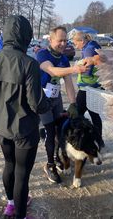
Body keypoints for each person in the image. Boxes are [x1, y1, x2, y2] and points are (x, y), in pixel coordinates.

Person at [0, 15, 50, 219]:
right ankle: (20, 215)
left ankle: (11, 205)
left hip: (1, 126)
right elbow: (37, 104)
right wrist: (48, 102)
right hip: (24, 128)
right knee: (22, 174)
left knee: (9, 165)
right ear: (26, 36)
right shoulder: (29, 63)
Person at [36, 26, 88, 184]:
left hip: (55, 97)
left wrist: (73, 104)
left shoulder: (64, 58)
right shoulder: (42, 54)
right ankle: (50, 165)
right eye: (60, 40)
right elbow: (52, 71)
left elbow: (68, 82)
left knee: (59, 130)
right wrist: (75, 68)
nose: (63, 43)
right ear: (51, 40)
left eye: (66, 40)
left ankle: (55, 157)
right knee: (50, 132)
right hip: (41, 98)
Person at [70, 30, 105, 148]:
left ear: (82, 41)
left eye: (76, 43)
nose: (75, 46)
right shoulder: (93, 45)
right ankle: (99, 141)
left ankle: (79, 141)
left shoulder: (89, 49)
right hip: (94, 87)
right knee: (94, 114)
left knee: (76, 114)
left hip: (87, 88)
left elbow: (87, 70)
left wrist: (77, 67)